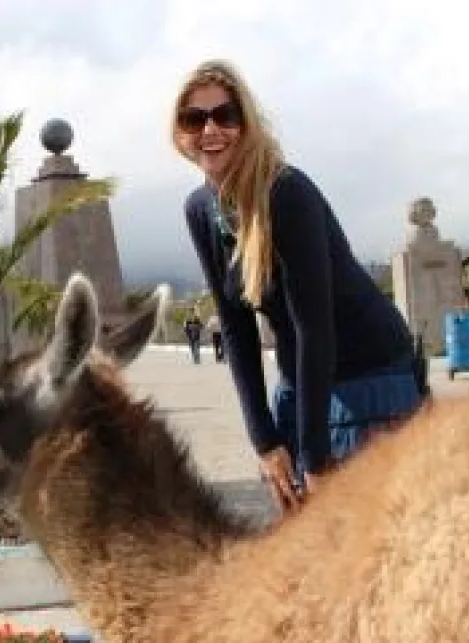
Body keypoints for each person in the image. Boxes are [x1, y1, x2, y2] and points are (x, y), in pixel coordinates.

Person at [173, 59, 428, 512]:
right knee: (303, 537)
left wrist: (315, 457)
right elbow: (235, 328)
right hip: (301, 385)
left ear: (246, 123)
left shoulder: (285, 192)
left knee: (365, 533)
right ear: (180, 132)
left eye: (224, 116)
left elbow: (314, 325)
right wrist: (265, 440)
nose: (210, 129)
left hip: (368, 374)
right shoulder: (200, 209)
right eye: (195, 118)